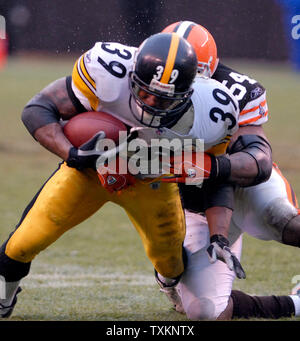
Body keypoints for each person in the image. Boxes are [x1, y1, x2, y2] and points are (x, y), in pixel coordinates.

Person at [0, 32, 247, 318]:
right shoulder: (107, 70)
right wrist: (72, 154)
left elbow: (215, 176)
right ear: (131, 77)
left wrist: (219, 236)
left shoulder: (213, 112)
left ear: (188, 93)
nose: (152, 104)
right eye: (144, 93)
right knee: (22, 243)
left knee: (171, 264)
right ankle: (4, 297)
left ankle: (167, 282)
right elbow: (39, 109)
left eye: (164, 100)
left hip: (152, 182)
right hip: (90, 172)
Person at [156, 20, 300, 320]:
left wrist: (210, 166)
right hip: (190, 206)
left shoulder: (237, 91)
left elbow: (258, 162)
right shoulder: (140, 86)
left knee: (288, 222)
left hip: (241, 185)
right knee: (206, 312)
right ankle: (170, 274)